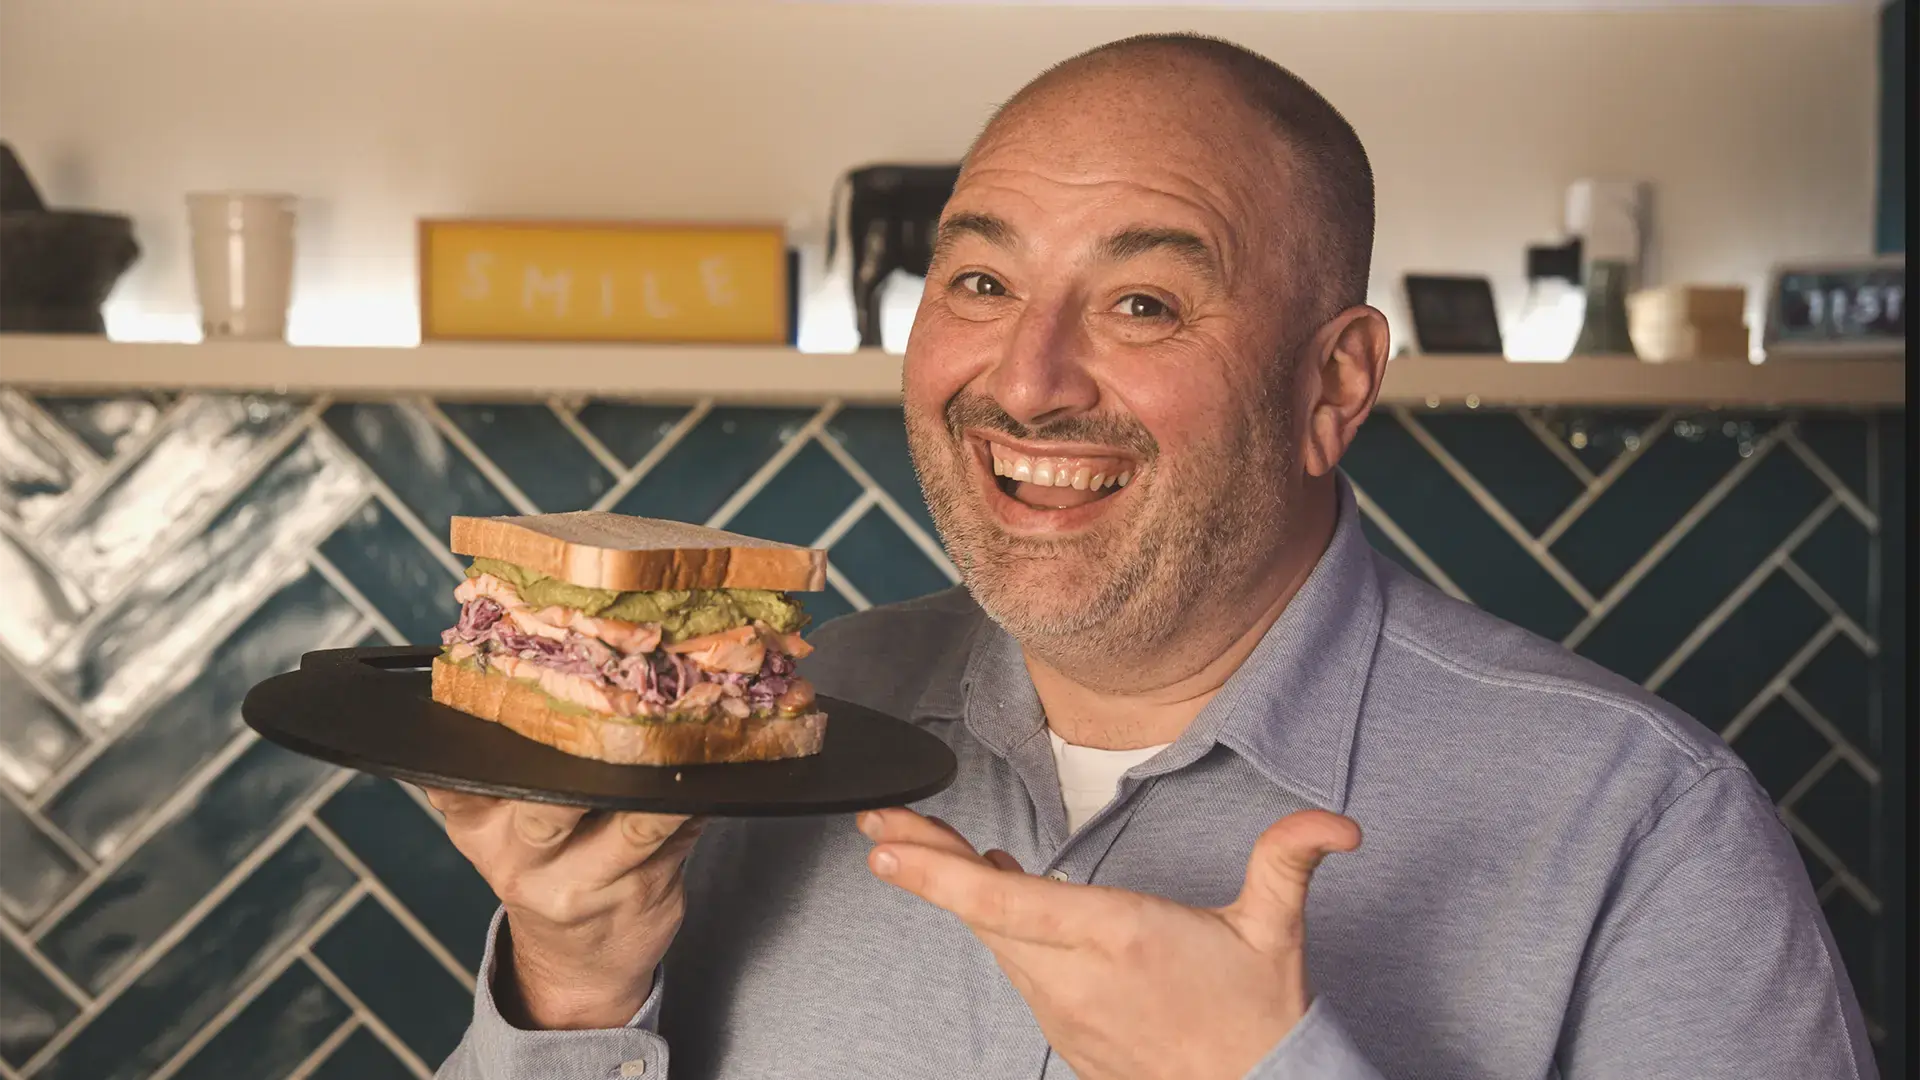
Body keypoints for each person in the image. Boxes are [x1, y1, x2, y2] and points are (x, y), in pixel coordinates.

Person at [431, 33, 1875, 1080]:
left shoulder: (1644, 830)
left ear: (1333, 386)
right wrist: (573, 996)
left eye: (1142, 303)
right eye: (983, 280)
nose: (1031, 378)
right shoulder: (753, 743)